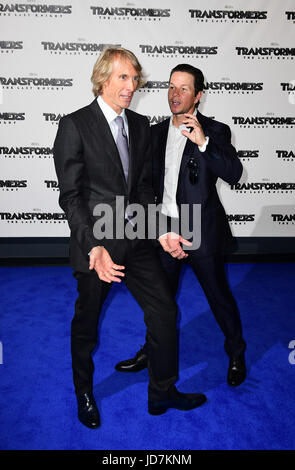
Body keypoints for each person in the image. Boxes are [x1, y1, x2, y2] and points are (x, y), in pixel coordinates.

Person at [53, 50, 207, 429]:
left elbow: (141, 192)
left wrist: (162, 231)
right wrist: (94, 246)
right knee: (86, 325)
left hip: (136, 242)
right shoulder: (75, 125)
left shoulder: (139, 125)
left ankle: (162, 391)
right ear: (103, 78)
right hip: (97, 247)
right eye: (123, 78)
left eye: (135, 78)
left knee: (164, 312)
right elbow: (71, 198)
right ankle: (84, 392)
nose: (131, 86)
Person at [115, 63, 247, 387]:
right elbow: (143, 185)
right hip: (165, 231)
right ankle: (151, 352)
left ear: (198, 95)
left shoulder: (215, 131)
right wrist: (159, 229)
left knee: (219, 297)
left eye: (184, 88)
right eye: (171, 87)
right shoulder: (154, 133)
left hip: (201, 230)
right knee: (160, 302)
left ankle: (236, 352)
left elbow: (233, 173)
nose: (175, 94)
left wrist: (203, 143)